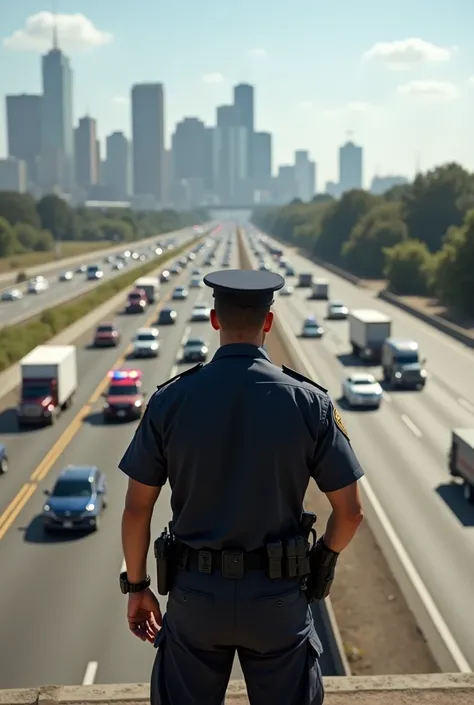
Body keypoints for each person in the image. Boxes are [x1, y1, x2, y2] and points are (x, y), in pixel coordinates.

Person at [118, 268, 364, 705]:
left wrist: (138, 588)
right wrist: (321, 561)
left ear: (215, 319)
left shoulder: (170, 400)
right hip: (278, 600)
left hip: (196, 598)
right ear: (268, 323)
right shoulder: (311, 403)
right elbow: (350, 512)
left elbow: (137, 508)